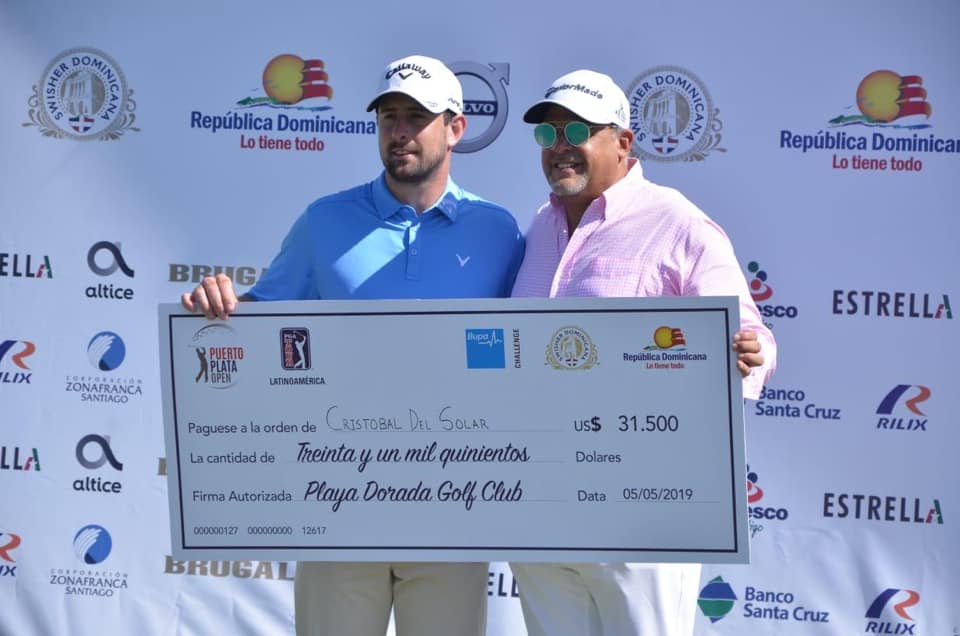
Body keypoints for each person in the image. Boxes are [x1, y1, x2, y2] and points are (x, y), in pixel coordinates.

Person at [181, 54, 524, 636]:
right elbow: (260, 321)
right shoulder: (324, 220)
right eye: (389, 117)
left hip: (454, 500)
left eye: (417, 117)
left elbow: (525, 348)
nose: (400, 131)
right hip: (339, 498)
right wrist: (221, 308)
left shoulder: (498, 229)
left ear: (456, 128)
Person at [510, 69, 777, 636]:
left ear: (623, 142)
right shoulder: (538, 224)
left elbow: (750, 333)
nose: (559, 147)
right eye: (547, 134)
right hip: (543, 502)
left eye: (577, 131)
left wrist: (748, 355)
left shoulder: (677, 221)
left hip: (643, 510)